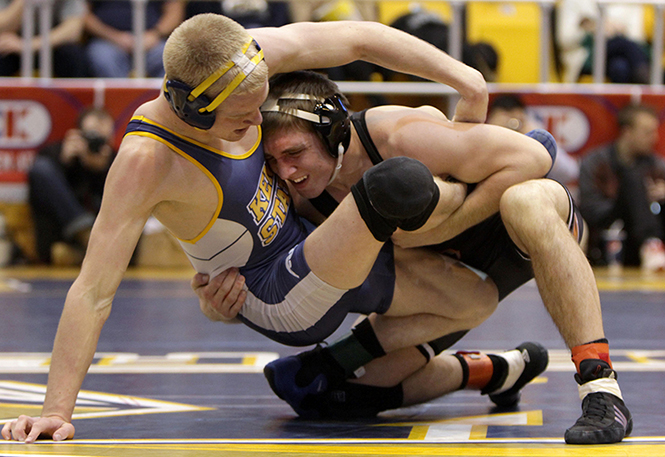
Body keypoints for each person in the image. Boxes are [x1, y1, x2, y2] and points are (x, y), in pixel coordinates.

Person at [0, 12, 497, 444]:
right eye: (242, 118)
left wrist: (464, 77)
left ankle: (334, 365)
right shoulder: (146, 161)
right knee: (393, 183)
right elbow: (92, 291)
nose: (258, 119)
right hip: (274, 292)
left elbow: (360, 38)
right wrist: (56, 412)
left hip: (316, 242)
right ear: (193, 108)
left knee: (478, 299)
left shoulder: (240, 58)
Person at [200, 70, 632, 444]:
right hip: (448, 276)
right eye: (274, 161)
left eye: (294, 154)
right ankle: (501, 369)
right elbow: (250, 274)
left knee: (524, 202)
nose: (286, 171)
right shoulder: (296, 195)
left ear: (333, 132)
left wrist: (451, 222)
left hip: (512, 230)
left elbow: (537, 154)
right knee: (341, 397)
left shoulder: (398, 133)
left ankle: (600, 387)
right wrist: (217, 303)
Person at [578, 104, 665, 272]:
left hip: (652, 223)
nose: (654, 138)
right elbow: (590, 207)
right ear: (627, 132)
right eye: (647, 132)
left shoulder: (657, 165)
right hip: (610, 225)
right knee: (632, 180)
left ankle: (652, 243)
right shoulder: (595, 161)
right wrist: (630, 202)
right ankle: (651, 243)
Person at [28, 107, 115, 265]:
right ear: (79, 134)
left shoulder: (115, 159)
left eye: (102, 139)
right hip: (61, 231)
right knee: (42, 168)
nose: (95, 143)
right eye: (91, 136)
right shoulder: (56, 152)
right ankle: (83, 234)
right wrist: (64, 162)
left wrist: (102, 172)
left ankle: (86, 249)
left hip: (105, 234)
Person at [487, 94, 579, 188]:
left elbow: (571, 172)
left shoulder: (531, 135)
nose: (512, 126)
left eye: (515, 122)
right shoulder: (484, 139)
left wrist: (538, 141)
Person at [556, 0, 650, 84]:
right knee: (621, 45)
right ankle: (647, 76)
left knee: (619, 67)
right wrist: (595, 27)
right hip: (588, 55)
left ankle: (643, 76)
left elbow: (637, 37)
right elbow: (564, 40)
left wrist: (617, 29)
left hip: (622, 56)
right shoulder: (573, 2)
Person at [84, 0, 184, 78]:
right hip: (108, 40)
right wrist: (114, 37)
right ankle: (121, 101)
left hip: (152, 41)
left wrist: (155, 34)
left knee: (171, 56)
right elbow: (84, 14)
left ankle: (162, 102)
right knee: (102, 57)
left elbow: (174, 11)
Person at [0, 0, 89, 77]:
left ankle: (78, 96)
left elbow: (74, 30)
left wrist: (28, 45)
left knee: (73, 56)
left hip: (52, 46)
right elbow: (3, 27)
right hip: (13, 46)